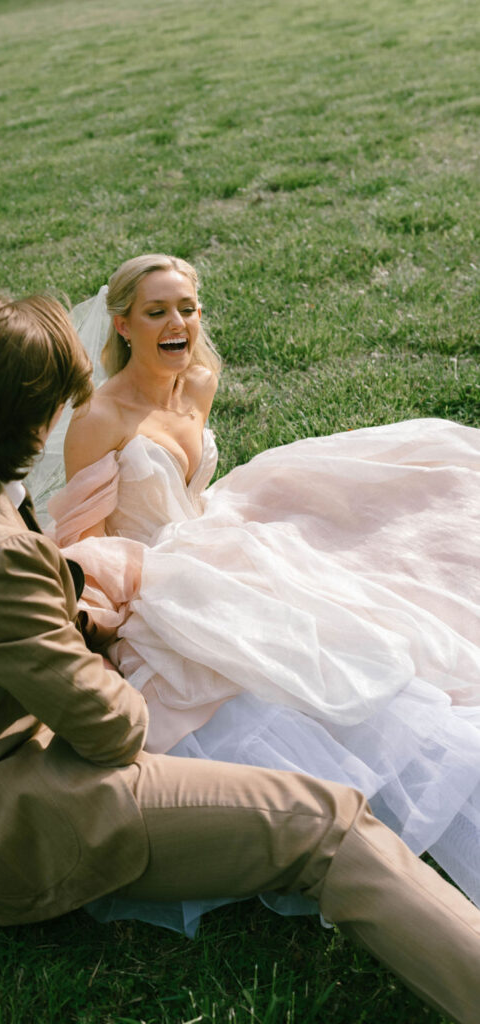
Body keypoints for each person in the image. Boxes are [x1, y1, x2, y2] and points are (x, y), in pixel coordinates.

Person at [0, 291, 480, 1024]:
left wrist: (72, 603)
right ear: (28, 415)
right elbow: (112, 729)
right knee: (325, 824)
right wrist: (106, 637)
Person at [39, 254, 480, 932]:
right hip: (148, 567)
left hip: (211, 531)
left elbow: (189, 490)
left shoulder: (199, 383)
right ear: (122, 324)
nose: (177, 322)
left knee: (400, 522)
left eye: (187, 307)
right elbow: (81, 543)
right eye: (156, 312)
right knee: (303, 659)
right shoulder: (99, 418)